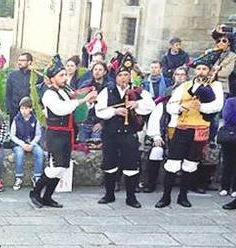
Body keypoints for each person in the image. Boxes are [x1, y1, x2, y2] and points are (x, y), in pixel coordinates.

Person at [31, 56, 98, 208]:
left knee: (63, 167)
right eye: (61, 75)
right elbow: (62, 109)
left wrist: (88, 101)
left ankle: (47, 197)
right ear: (51, 79)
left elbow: (75, 110)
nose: (65, 78)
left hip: (67, 133)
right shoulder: (49, 94)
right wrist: (82, 99)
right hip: (55, 134)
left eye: (65, 75)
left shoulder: (65, 91)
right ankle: (35, 192)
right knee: (56, 167)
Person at [156, 58, 224, 208]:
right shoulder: (185, 86)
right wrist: (181, 108)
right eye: (198, 69)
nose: (201, 72)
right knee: (173, 162)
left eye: (204, 69)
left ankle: (183, 196)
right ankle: (165, 197)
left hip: (200, 129)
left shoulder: (216, 85)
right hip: (182, 128)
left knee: (191, 163)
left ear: (209, 71)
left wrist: (201, 106)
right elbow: (170, 106)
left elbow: (217, 105)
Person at [94, 63, 155, 208]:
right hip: (110, 134)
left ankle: (131, 197)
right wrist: (115, 112)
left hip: (129, 134)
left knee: (131, 164)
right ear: (115, 77)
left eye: (126, 75)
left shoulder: (138, 91)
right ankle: (109, 194)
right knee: (109, 163)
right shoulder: (107, 91)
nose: (123, 78)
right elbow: (99, 111)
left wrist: (137, 104)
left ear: (130, 77)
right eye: (120, 75)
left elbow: (151, 106)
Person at [144, 66, 188, 193]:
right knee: (156, 151)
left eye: (182, 74)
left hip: (184, 135)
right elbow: (154, 121)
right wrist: (157, 136)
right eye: (177, 74)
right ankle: (150, 183)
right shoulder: (162, 106)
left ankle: (189, 185)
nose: (180, 77)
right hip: (166, 138)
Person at [10, 97, 45, 191]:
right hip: (19, 144)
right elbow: (12, 135)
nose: (23, 111)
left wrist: (32, 144)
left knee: (40, 153)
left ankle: (37, 176)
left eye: (26, 108)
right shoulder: (16, 119)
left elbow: (38, 134)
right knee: (20, 154)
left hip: (31, 143)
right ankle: (19, 177)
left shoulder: (35, 120)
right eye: (22, 108)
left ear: (30, 109)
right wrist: (22, 144)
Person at [77, 62, 110, 147]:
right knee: (83, 148)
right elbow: (79, 103)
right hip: (85, 122)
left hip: (99, 123)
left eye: (100, 69)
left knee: (95, 149)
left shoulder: (109, 87)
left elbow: (111, 107)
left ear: (105, 72)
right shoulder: (85, 85)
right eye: (95, 69)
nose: (97, 72)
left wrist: (102, 123)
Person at [5, 52, 33, 123]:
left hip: (30, 111)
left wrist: (33, 71)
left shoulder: (35, 76)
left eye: (22, 60)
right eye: (19, 60)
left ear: (29, 62)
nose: (19, 62)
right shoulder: (13, 75)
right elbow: (8, 93)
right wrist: (9, 109)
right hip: (15, 111)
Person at [221, 95, 236, 206]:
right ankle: (225, 187)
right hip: (230, 135)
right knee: (227, 162)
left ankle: (234, 188)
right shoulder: (231, 101)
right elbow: (228, 117)